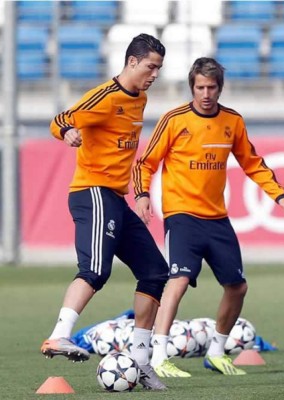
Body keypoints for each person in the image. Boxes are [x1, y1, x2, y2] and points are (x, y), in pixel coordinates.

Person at [133, 57, 284, 377]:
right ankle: (158, 358)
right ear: (192, 88)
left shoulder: (232, 121)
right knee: (177, 280)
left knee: (237, 287)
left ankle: (217, 351)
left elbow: (252, 163)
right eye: (200, 87)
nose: (205, 93)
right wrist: (141, 195)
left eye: (211, 87)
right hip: (182, 216)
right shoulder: (174, 119)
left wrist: (279, 194)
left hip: (217, 219)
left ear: (220, 88)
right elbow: (145, 163)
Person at [41, 33, 169, 391]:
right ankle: (58, 336)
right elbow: (60, 118)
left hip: (116, 197)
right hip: (92, 192)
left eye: (158, 67)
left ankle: (141, 362)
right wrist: (67, 132)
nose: (155, 74)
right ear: (132, 62)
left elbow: (125, 152)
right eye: (150, 66)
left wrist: (140, 193)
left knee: (155, 272)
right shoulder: (105, 97)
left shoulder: (140, 99)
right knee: (96, 269)